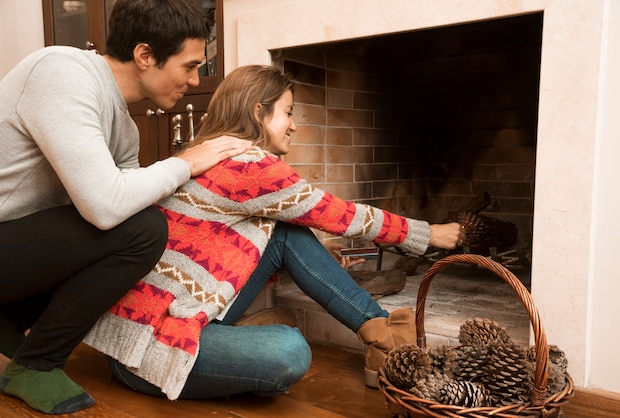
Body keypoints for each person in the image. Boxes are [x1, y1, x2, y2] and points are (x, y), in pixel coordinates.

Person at [83, 64, 465, 401]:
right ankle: (378, 336)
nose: (295, 124)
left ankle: (379, 333)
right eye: (288, 112)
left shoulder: (211, 151)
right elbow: (341, 215)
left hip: (161, 321)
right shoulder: (249, 164)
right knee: (290, 351)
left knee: (283, 231)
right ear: (257, 112)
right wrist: (429, 233)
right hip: (148, 352)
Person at [0, 0, 250, 414]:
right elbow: (105, 207)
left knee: (139, 226)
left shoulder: (124, 127)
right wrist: (187, 162)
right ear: (145, 55)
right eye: (188, 66)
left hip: (17, 247)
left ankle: (7, 318)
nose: (194, 79)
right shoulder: (62, 71)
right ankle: (36, 365)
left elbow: (133, 197)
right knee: (142, 230)